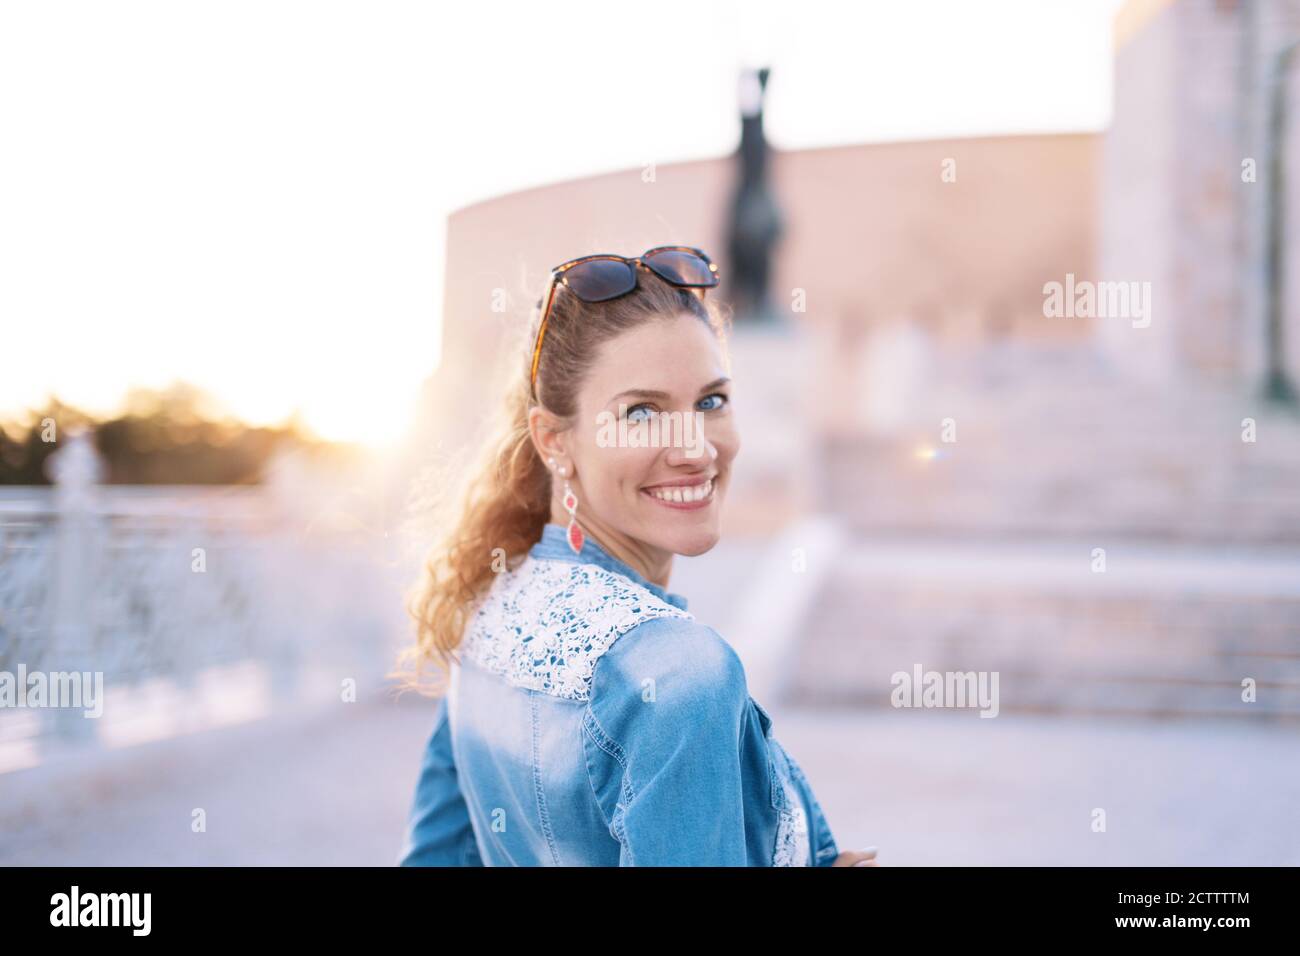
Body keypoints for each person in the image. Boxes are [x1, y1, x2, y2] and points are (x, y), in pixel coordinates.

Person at [393, 246, 878, 867]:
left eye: (711, 401)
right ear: (554, 441)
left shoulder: (487, 609)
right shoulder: (681, 673)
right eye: (642, 412)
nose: (696, 450)